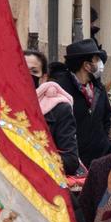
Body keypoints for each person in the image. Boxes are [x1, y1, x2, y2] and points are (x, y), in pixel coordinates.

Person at [50, 38, 111, 166]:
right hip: (74, 164)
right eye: (96, 59)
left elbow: (107, 119)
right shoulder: (60, 89)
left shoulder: (98, 88)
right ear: (86, 65)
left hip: (101, 161)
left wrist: (107, 145)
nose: (100, 64)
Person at [27, 48, 82, 176]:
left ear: (43, 77)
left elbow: (71, 161)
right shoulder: (2, 105)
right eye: (22, 69)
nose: (27, 75)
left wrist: (32, 157)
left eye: (34, 71)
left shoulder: (59, 108)